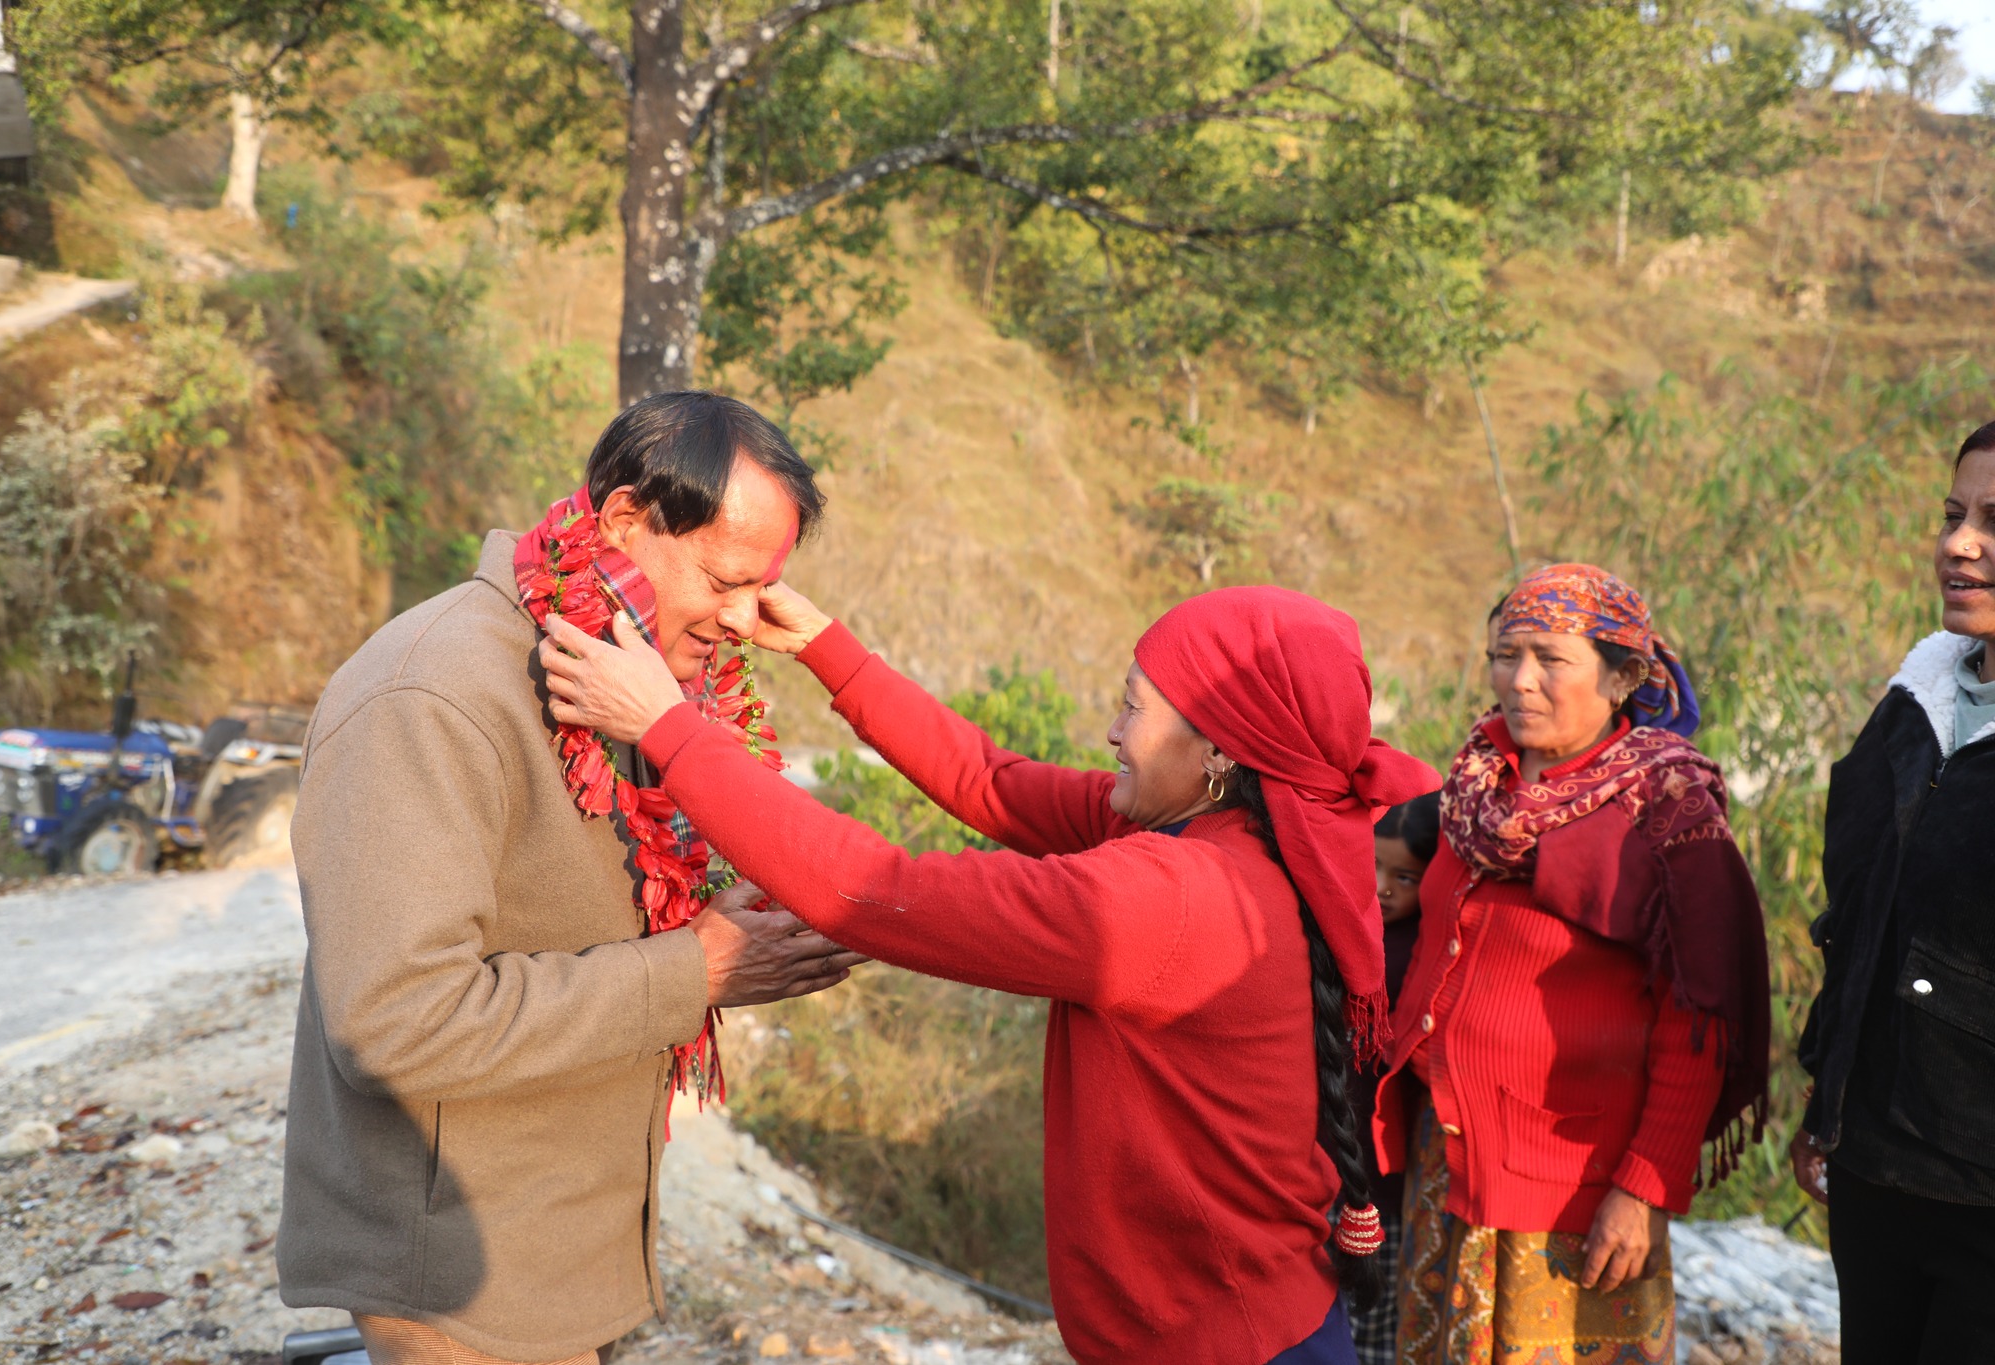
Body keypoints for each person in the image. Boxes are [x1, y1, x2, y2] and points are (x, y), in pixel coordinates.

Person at [537, 582, 1442, 1365]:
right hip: (1253, 1319)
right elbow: (992, 781)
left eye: (1135, 706)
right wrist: (825, 647)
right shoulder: (1236, 832)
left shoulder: (1177, 897)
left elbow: (879, 892)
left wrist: (670, 731)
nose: (1113, 730)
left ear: (1219, 751)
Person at [277, 393, 865, 1365]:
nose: (739, 620)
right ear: (627, 521)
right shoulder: (433, 696)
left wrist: (733, 927)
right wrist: (696, 972)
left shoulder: (616, 670)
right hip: (457, 1277)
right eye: (724, 580)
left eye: (759, 590)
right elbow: (393, 1022)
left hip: (548, 1246)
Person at [1374, 562, 1770, 1364]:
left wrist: (1644, 1187)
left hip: (1572, 1189)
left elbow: (1698, 1015)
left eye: (1551, 659)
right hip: (1445, 1160)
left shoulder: (1667, 810)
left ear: (1624, 674)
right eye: (1505, 653)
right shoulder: (1476, 781)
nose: (1521, 681)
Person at [1790, 419, 1995, 1361]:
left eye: (1994, 521)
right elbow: (1862, 918)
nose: (1959, 543)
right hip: (1878, 1168)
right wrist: (1827, 1099)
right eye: (1954, 513)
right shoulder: (1916, 702)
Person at [1348, 794, 1439, 1365]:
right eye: (1373, 868)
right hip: (1335, 1167)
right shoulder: (1348, 931)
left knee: (1377, 1330)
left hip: (1389, 1178)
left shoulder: (1425, 953)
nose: (1383, 887)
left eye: (1403, 876)